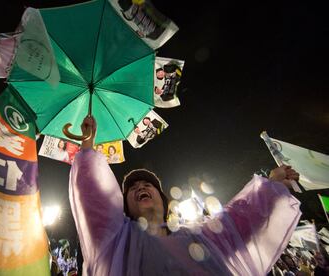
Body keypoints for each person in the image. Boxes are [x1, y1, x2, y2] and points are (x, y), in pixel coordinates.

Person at [68, 115, 302, 275]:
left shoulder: (200, 240)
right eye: (133, 187)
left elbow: (241, 219)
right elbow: (91, 197)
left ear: (164, 201)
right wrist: (88, 145)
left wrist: (271, 185)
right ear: (123, 207)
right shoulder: (116, 242)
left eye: (148, 185)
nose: (141, 187)